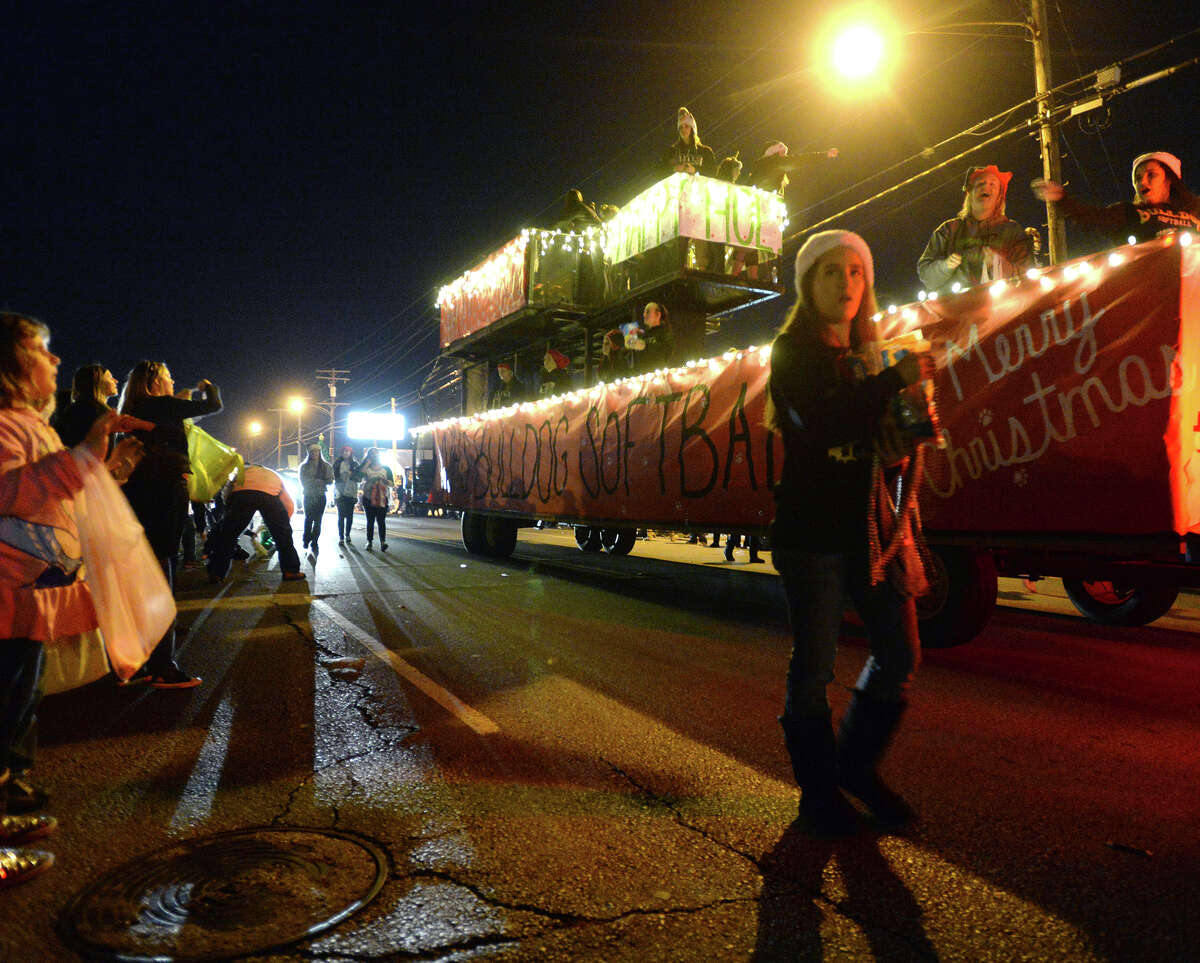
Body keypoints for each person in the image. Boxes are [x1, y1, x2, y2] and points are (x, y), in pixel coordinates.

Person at [766, 230, 935, 836]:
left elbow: (885, 439)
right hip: (813, 533)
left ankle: (854, 768)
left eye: (856, 272)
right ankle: (818, 795)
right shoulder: (792, 353)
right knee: (813, 669)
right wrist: (894, 381)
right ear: (809, 284)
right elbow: (821, 422)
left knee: (901, 653)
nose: (846, 283)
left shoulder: (872, 351)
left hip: (874, 529)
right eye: (831, 272)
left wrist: (909, 430)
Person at [0, 311, 138, 888]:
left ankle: (9, 799)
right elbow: (11, 490)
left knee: (18, 700)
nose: (56, 360)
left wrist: (106, 468)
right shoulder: (4, 424)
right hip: (6, 592)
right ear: (9, 365)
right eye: (42, 349)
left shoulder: (32, 423)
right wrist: (83, 458)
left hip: (27, 593)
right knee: (5, 701)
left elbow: (52, 491)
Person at [118, 361, 221, 689]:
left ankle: (142, 662)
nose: (173, 379)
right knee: (164, 573)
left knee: (147, 574)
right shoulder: (164, 405)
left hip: (139, 490)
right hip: (165, 491)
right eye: (168, 376)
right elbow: (212, 406)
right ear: (156, 380)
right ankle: (162, 667)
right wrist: (207, 387)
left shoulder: (134, 406)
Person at [1032, 150, 1200, 246]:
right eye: (1138, 178)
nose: (1143, 181)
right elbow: (1092, 217)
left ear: (1170, 179)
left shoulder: (1195, 211)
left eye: (1152, 175)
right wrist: (1061, 198)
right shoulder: (1130, 213)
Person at [917, 165, 1033, 291]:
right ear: (969, 193)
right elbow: (926, 275)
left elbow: (1026, 277)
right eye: (980, 184)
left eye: (992, 184)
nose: (986, 187)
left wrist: (997, 264)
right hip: (956, 307)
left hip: (1003, 307)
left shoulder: (1012, 231)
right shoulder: (949, 230)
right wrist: (945, 266)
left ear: (999, 196)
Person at [206, 464, 305, 582]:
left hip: (242, 494)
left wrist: (230, 514)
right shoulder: (273, 474)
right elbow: (288, 504)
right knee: (283, 537)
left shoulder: (241, 473)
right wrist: (282, 524)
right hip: (269, 495)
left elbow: (227, 494)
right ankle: (290, 571)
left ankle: (217, 573)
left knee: (228, 536)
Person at [658, 107, 716, 180]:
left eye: (687, 126)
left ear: (692, 128)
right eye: (680, 127)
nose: (683, 129)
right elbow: (659, 172)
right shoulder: (671, 152)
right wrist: (674, 169)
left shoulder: (705, 152)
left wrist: (695, 170)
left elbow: (713, 173)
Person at [298, 443, 333, 556]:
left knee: (318, 520)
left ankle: (315, 541)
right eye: (312, 452)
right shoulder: (304, 466)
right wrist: (316, 481)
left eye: (316, 451)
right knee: (308, 519)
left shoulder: (326, 466)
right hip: (308, 495)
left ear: (319, 452)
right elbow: (303, 481)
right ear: (309, 453)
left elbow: (330, 480)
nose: (314, 454)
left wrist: (319, 481)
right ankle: (306, 538)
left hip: (320, 495)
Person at [359, 448, 394, 551]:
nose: (375, 456)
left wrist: (385, 481)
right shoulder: (367, 468)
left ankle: (383, 542)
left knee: (381, 521)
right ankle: (369, 542)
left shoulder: (386, 468)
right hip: (368, 497)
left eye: (376, 454)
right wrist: (366, 464)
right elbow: (359, 476)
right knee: (370, 521)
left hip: (382, 498)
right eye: (372, 454)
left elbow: (392, 483)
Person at [627, 302, 674, 374]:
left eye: (647, 312)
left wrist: (645, 345)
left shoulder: (665, 333)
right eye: (644, 312)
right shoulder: (643, 335)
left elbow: (666, 353)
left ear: (658, 314)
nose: (644, 315)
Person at [331, 445, 359, 545]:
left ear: (351, 453)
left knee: (350, 516)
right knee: (341, 516)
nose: (346, 453)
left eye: (348, 451)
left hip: (351, 492)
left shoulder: (355, 464)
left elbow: (359, 478)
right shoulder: (337, 463)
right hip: (340, 491)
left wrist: (352, 474)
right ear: (341, 453)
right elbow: (332, 476)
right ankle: (341, 537)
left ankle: (347, 535)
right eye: (344, 451)